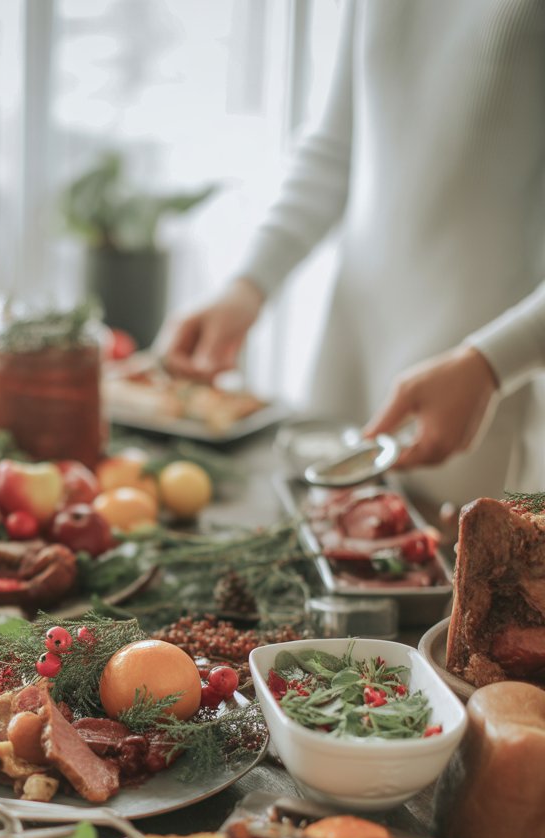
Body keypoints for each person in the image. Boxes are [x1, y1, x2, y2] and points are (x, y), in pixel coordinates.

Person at [165, 0, 545, 508]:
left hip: (485, 388)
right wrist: (248, 285)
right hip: (351, 356)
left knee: (455, 578)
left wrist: (492, 363)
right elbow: (335, 149)